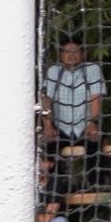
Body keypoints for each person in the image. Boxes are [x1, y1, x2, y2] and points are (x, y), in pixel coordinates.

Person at [41, 37, 104, 176]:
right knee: (50, 155)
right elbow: (46, 100)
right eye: (67, 51)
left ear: (83, 53)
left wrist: (93, 123)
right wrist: (48, 126)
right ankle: (56, 186)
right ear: (60, 54)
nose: (71, 55)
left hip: (85, 126)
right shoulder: (53, 71)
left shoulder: (92, 69)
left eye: (75, 51)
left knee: (95, 156)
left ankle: (95, 183)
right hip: (60, 128)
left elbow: (96, 98)